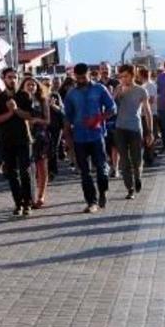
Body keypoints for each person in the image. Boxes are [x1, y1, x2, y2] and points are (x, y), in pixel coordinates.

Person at [64, 63, 117, 214]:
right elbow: (67, 117)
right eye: (78, 77)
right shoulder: (71, 94)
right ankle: (91, 202)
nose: (81, 80)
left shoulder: (99, 89)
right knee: (84, 172)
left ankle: (103, 193)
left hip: (97, 135)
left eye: (84, 77)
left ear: (89, 74)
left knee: (101, 168)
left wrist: (99, 119)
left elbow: (112, 108)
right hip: (79, 137)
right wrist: (67, 138)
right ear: (74, 76)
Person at [0, 68, 34, 216]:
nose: (13, 80)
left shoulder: (24, 96)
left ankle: (28, 203)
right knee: (11, 174)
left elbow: (30, 116)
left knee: (25, 172)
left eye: (15, 77)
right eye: (10, 77)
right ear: (4, 79)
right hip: (6, 140)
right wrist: (9, 113)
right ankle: (18, 203)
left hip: (23, 139)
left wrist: (16, 110)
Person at [113, 65, 152, 199]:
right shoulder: (118, 90)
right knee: (124, 160)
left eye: (126, 76)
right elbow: (111, 107)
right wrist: (117, 94)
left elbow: (147, 111)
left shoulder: (141, 91)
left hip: (135, 127)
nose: (123, 79)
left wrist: (150, 131)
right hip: (120, 128)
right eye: (121, 76)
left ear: (132, 75)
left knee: (137, 159)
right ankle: (129, 188)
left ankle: (138, 177)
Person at [20, 77, 51, 209]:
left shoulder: (42, 100)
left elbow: (47, 120)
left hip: (40, 137)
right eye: (28, 85)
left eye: (33, 85)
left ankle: (41, 195)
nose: (31, 87)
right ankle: (30, 196)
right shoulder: (20, 101)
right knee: (28, 168)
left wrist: (36, 120)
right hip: (25, 137)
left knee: (41, 167)